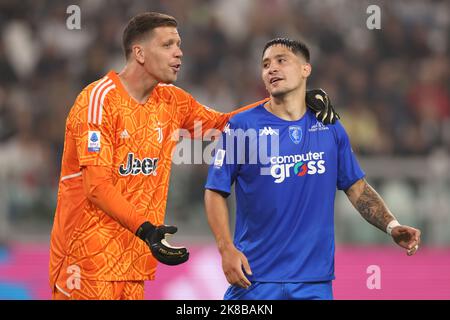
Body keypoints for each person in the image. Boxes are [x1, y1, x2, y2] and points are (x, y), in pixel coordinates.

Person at [49, 13, 337, 300]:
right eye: (168, 45)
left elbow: (225, 124)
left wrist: (291, 96)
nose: (179, 52)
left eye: (179, 44)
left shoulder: (171, 100)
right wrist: (147, 230)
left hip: (132, 264)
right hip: (85, 260)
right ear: (139, 53)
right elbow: (96, 186)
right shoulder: (98, 100)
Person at [204, 38, 421, 300]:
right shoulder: (242, 126)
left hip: (314, 282)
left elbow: (356, 187)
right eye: (265, 64)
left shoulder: (329, 126)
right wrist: (225, 248)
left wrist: (391, 225)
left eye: (281, 60)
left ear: (306, 69)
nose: (271, 68)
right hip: (254, 279)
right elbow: (215, 190)